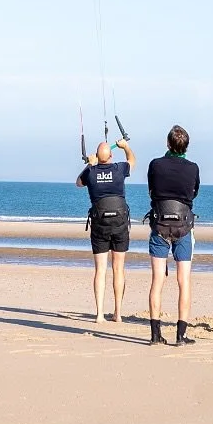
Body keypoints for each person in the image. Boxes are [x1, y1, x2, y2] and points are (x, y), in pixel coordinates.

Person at [146, 124, 200, 345]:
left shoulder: (155, 165)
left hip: (159, 224)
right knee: (183, 280)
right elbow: (194, 192)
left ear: (168, 144)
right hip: (184, 226)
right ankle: (181, 334)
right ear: (186, 146)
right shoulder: (193, 168)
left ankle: (155, 334)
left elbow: (151, 189)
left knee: (158, 279)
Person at [77, 134, 137, 323]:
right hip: (118, 223)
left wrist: (90, 165)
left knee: (100, 269)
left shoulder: (91, 172)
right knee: (118, 268)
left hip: (100, 223)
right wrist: (125, 147)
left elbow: (78, 182)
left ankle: (100, 314)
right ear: (110, 157)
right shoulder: (119, 169)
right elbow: (132, 161)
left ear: (97, 156)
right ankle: (117, 314)